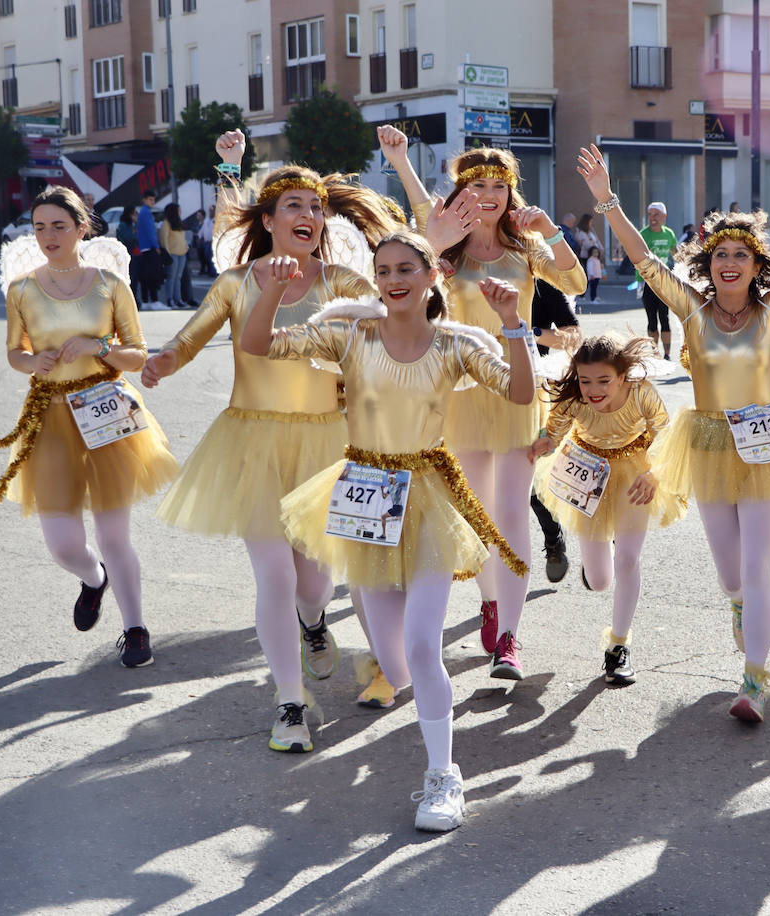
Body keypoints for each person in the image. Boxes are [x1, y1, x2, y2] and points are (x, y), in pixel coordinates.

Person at [240, 230, 535, 833]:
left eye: (406, 268)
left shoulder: (454, 344)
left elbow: (521, 391)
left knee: (425, 647)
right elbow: (259, 344)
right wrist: (270, 291)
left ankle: (443, 779)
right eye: (383, 270)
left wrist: (513, 323)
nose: (394, 279)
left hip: (427, 492)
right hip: (365, 496)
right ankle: (391, 679)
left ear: (432, 278)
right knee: (398, 665)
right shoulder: (350, 333)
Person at [143, 130, 406, 739]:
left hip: (328, 443)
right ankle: (290, 704)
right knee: (275, 574)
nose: (310, 215)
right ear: (268, 218)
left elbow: (393, 316)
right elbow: (190, 337)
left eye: (317, 207)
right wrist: (160, 362)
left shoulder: (340, 281)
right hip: (252, 441)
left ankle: (313, 623)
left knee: (315, 582)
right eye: (295, 205)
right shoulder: (239, 282)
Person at [578, 143, 770, 722]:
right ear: (709, 262)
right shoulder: (692, 310)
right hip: (710, 442)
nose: (730, 262)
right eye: (721, 253)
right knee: (730, 573)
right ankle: (741, 609)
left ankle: (754, 681)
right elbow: (645, 261)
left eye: (742, 254)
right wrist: (608, 201)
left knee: (758, 566)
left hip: (766, 438)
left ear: (756, 264)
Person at [379, 125, 586, 680]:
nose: (489, 193)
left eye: (500, 183)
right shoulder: (441, 243)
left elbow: (577, 281)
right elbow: (408, 265)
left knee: (514, 514)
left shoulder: (524, 247)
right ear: (461, 191)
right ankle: (491, 607)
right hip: (461, 395)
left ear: (511, 190)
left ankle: (510, 641)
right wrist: (401, 163)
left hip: (516, 392)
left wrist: (551, 230)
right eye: (477, 183)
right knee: (477, 518)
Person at [0, 186, 179, 668]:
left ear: (81, 228)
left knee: (115, 535)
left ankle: (135, 629)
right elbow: (14, 353)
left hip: (106, 408)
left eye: (59, 226)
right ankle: (94, 580)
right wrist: (34, 361)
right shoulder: (22, 289)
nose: (49, 236)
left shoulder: (110, 283)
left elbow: (137, 354)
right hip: (48, 415)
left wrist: (97, 348)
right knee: (64, 544)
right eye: (40, 227)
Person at [530, 334, 684, 685]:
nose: (593, 390)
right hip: (587, 475)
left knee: (628, 559)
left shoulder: (641, 392)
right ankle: (594, 566)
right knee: (600, 582)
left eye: (604, 381)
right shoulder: (573, 400)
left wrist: (655, 472)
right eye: (586, 381)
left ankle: (618, 646)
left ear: (622, 376)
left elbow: (665, 432)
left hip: (634, 473)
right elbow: (553, 433)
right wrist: (541, 443)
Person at [530, 279, 584, 583]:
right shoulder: (471, 273)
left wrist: (532, 334)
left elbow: (574, 336)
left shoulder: (540, 282)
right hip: (485, 395)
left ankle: (597, 543)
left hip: (540, 394)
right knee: (520, 486)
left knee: (550, 475)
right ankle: (554, 539)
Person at [638, 201, 680, 359]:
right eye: (650, 214)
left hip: (664, 282)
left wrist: (681, 271)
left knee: (665, 317)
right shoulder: (643, 234)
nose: (652, 218)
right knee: (651, 320)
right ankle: (654, 352)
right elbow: (636, 258)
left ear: (664, 216)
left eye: (656, 214)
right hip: (648, 282)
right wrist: (640, 282)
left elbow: (676, 255)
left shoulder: (669, 233)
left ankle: (667, 353)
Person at [135, 190, 163, 309]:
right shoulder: (146, 213)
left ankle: (146, 301)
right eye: (150, 199)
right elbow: (150, 231)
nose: (152, 202)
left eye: (153, 199)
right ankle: (154, 300)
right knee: (152, 275)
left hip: (143, 247)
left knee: (145, 276)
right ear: (144, 200)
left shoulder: (142, 212)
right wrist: (156, 246)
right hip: (149, 247)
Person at [159, 203, 190, 310]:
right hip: (172, 254)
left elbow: (183, 238)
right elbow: (164, 239)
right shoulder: (166, 224)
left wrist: (186, 247)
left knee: (178, 278)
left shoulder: (179, 223)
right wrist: (167, 253)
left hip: (182, 254)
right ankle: (169, 299)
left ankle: (178, 299)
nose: (180, 212)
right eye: (178, 210)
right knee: (171, 278)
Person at [115, 205, 140, 303]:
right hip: (128, 253)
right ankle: (130, 300)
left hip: (133, 253)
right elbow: (129, 238)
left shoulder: (131, 225)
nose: (136, 216)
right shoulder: (124, 225)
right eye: (134, 214)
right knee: (130, 277)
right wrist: (135, 234)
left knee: (135, 278)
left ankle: (134, 299)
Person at [196, 204, 216, 276]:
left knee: (212, 257)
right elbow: (203, 229)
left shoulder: (217, 219)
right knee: (207, 257)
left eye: (213, 210)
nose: (211, 212)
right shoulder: (207, 220)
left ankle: (213, 272)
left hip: (213, 242)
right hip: (206, 242)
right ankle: (210, 270)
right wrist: (199, 236)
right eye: (210, 211)